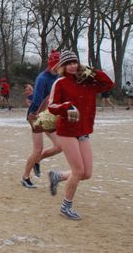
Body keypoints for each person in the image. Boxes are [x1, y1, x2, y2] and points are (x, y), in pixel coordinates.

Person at [47, 50, 114, 220]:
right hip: (67, 131)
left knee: (87, 173)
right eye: (68, 63)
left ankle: (58, 176)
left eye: (74, 62)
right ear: (63, 66)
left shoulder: (87, 82)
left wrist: (91, 71)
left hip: (83, 130)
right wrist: (66, 106)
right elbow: (51, 107)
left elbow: (108, 84)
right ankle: (66, 207)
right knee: (78, 171)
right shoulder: (60, 83)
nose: (72, 66)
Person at [21, 49, 63, 189]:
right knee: (38, 148)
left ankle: (37, 161)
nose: (60, 67)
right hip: (36, 116)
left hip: (48, 115)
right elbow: (38, 100)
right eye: (58, 64)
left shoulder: (58, 77)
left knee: (59, 146)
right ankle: (25, 177)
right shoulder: (42, 78)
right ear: (52, 64)